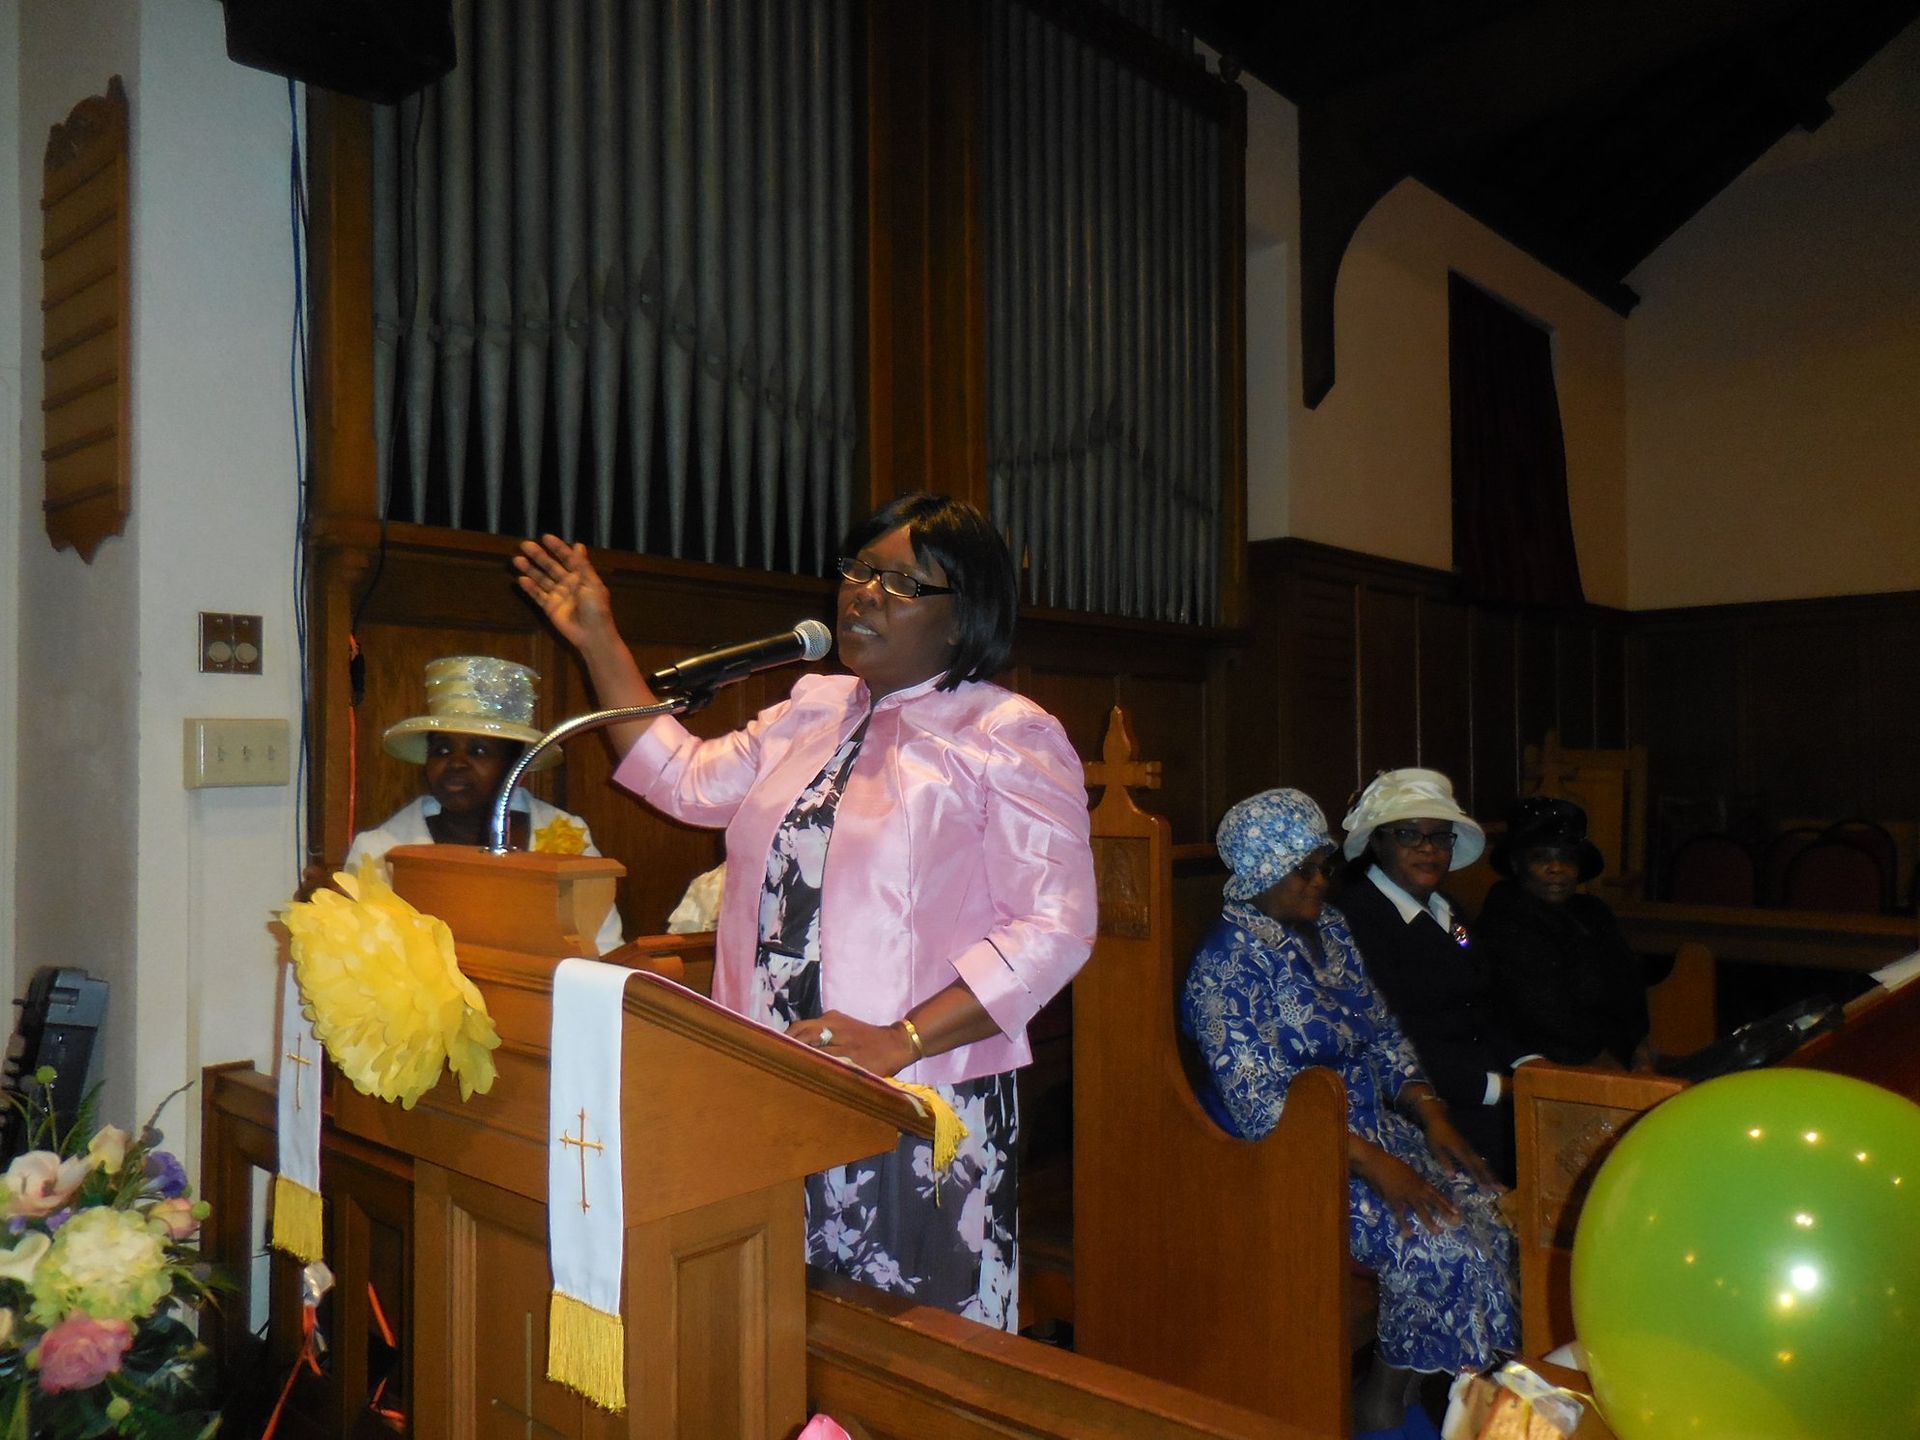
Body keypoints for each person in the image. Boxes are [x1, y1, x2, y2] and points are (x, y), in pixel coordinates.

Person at [514, 493, 1098, 1330]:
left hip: (911, 1101)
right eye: (859, 570)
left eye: (900, 582)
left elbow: (1055, 925)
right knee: (782, 1331)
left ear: (964, 614)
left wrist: (903, 1038)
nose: (864, 594)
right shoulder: (812, 708)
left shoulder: (1007, 733)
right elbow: (682, 778)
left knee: (904, 1355)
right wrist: (599, 639)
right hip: (769, 1079)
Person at [1181, 789, 1516, 1439]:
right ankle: (1381, 1401)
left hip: (1365, 1128)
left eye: (1322, 866)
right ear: (1261, 873)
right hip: (1288, 1158)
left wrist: (1431, 1112)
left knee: (1486, 1205)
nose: (1319, 882)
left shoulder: (1327, 930)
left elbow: (1382, 1033)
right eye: (1302, 870)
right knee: (1438, 1241)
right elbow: (1259, 1110)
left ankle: (1434, 1389)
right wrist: (1378, 1164)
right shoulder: (1224, 969)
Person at [343, 655, 626, 956]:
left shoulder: (568, 838)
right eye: (442, 750)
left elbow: (604, 949)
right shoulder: (378, 850)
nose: (455, 763)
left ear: (516, 764)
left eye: (478, 751)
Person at [1334, 769, 1530, 1182]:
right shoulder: (1355, 918)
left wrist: (1529, 1064)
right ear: (1378, 841)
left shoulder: (1447, 909)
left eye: (1440, 836)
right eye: (1410, 835)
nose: (1429, 850)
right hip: (1421, 1106)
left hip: (1487, 1088)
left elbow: (1486, 999)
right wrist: (1499, 1088)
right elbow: (1387, 1040)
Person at [1477, 797, 1668, 1070]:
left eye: (1567, 857)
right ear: (1518, 864)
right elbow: (1545, 1016)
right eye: (1541, 857)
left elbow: (1628, 984)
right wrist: (1614, 1073)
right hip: (1549, 1067)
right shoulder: (1504, 920)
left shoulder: (1592, 911)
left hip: (1616, 1057)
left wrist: (1639, 1048)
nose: (1556, 868)